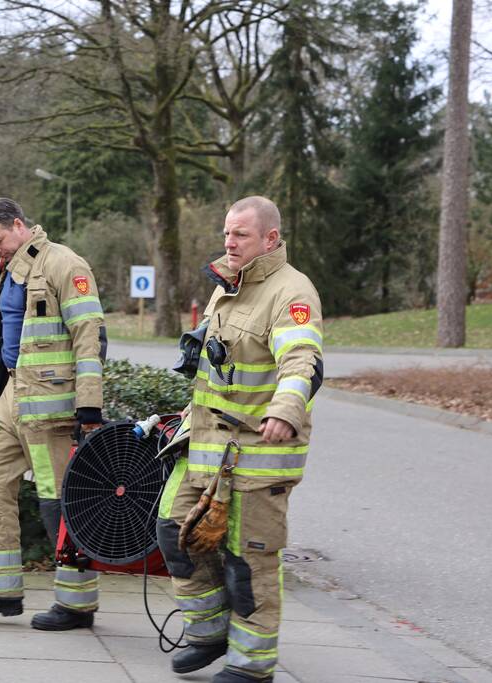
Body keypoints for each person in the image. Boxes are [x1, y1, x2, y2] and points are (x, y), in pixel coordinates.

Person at [156, 196, 324, 681]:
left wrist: (287, 410)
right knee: (175, 530)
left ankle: (251, 666)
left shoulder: (291, 292)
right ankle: (209, 633)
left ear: (270, 238)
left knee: (249, 561)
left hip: (259, 453)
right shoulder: (227, 286)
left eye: (241, 235)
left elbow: (302, 361)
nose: (229, 242)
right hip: (207, 447)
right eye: (227, 233)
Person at [0, 197, 107, 630]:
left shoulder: (64, 264)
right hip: (13, 399)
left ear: (19, 225)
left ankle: (77, 604)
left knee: (59, 505)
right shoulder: (7, 268)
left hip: (53, 410)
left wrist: (89, 407)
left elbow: (89, 337)